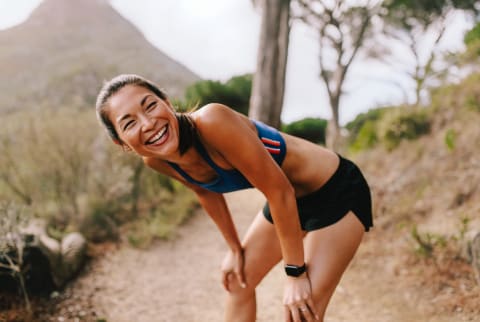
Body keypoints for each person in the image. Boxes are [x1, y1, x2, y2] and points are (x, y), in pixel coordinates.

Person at [95, 74, 373, 322]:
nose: (148, 123)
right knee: (238, 282)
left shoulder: (212, 121)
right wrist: (234, 249)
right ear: (121, 142)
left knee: (301, 310)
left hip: (336, 190)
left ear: (167, 102)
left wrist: (295, 273)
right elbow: (204, 191)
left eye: (150, 105)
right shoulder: (156, 161)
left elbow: (279, 192)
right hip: (291, 201)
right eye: (129, 123)